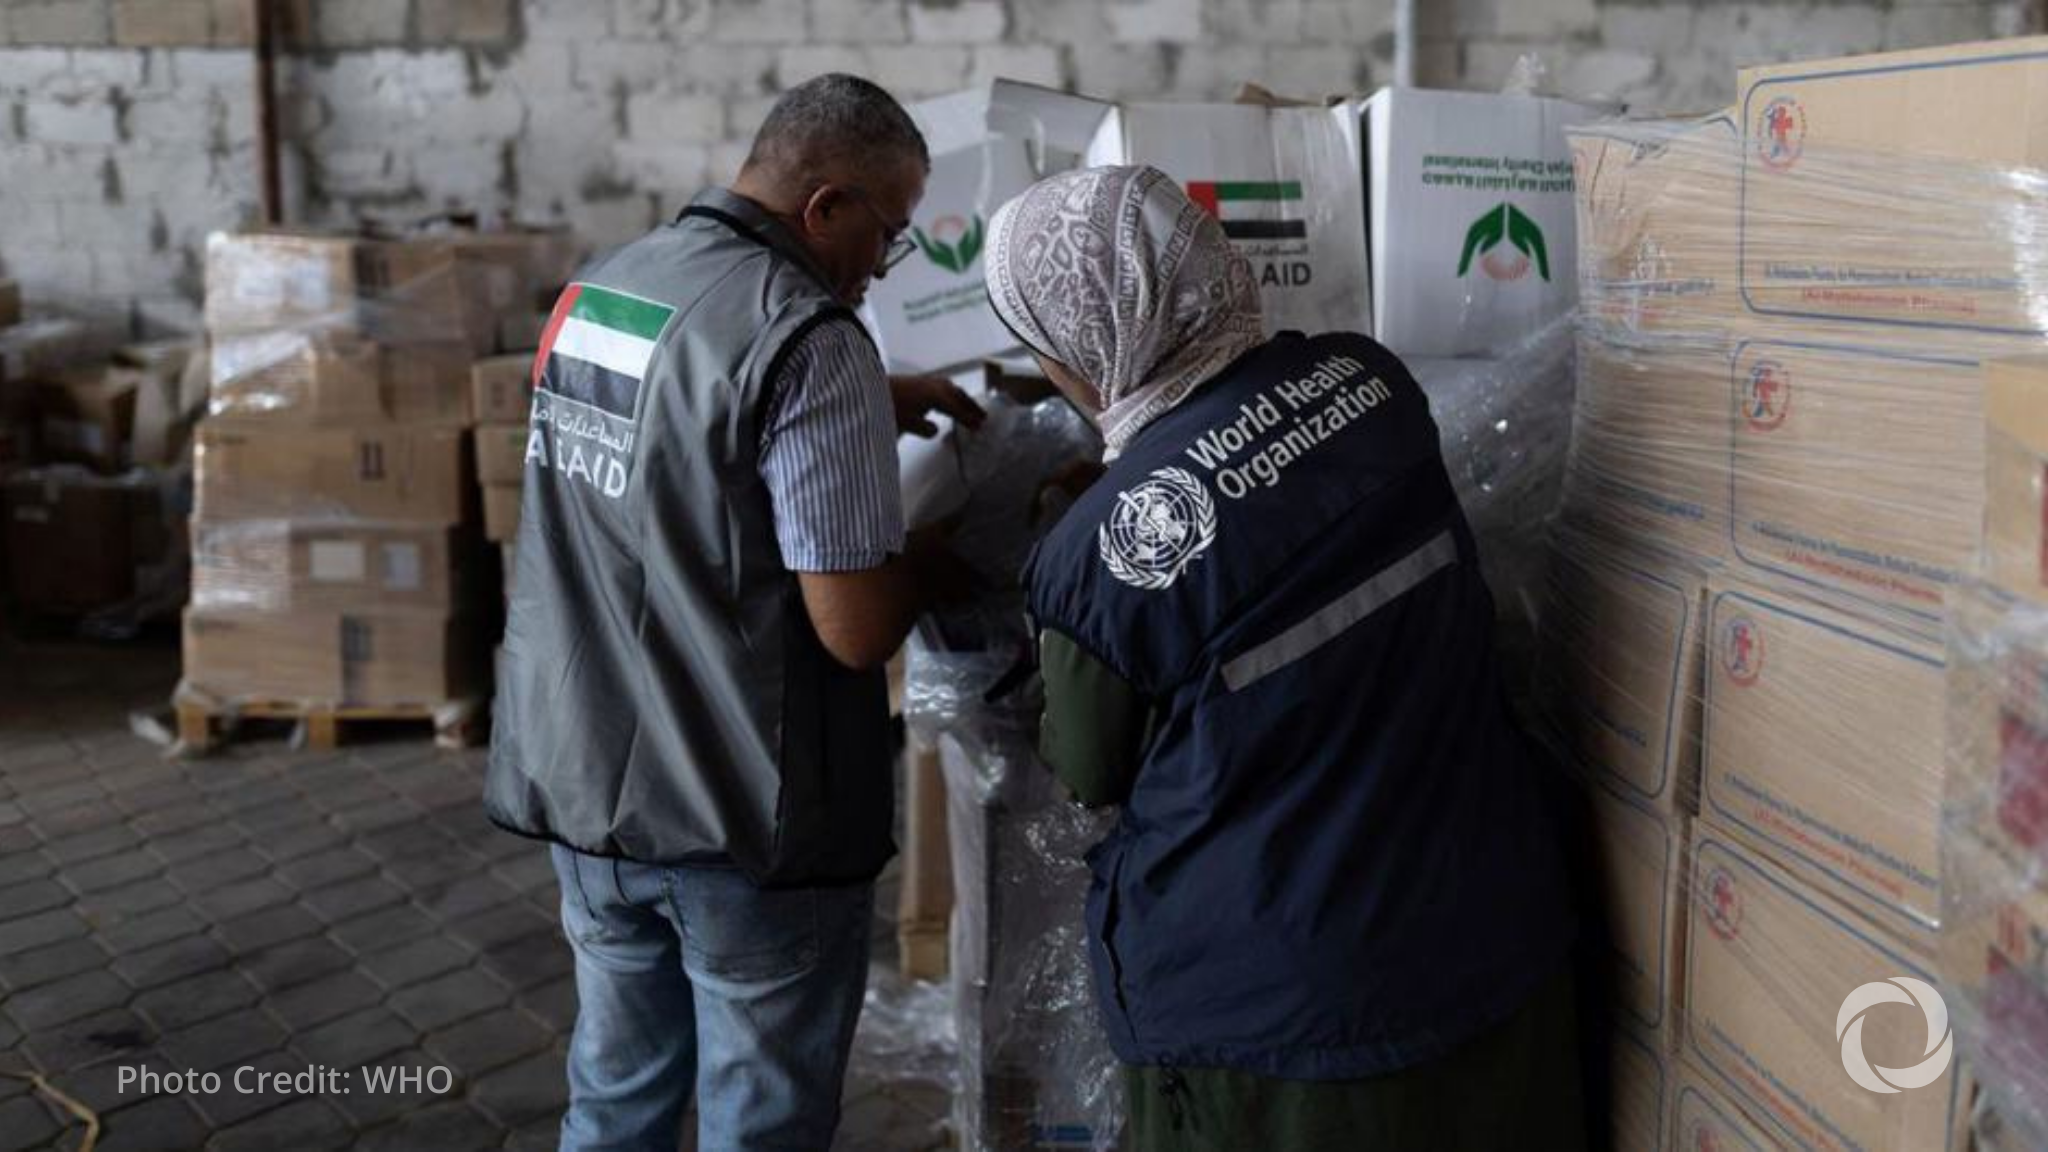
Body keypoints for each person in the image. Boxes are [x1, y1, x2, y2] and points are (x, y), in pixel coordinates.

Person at [986, 165, 1583, 1151]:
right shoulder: (1367, 383)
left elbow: (1087, 766)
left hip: (1285, 1021)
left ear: (1090, 335)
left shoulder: (1099, 555)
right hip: (1489, 929)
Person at [484, 74, 983, 1151]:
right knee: (759, 1123)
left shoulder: (605, 287)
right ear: (826, 208)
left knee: (614, 1101)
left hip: (585, 790)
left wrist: (866, 404)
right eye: (887, 232)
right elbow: (853, 628)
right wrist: (942, 557)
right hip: (737, 818)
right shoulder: (811, 340)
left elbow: (674, 434)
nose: (882, 265)